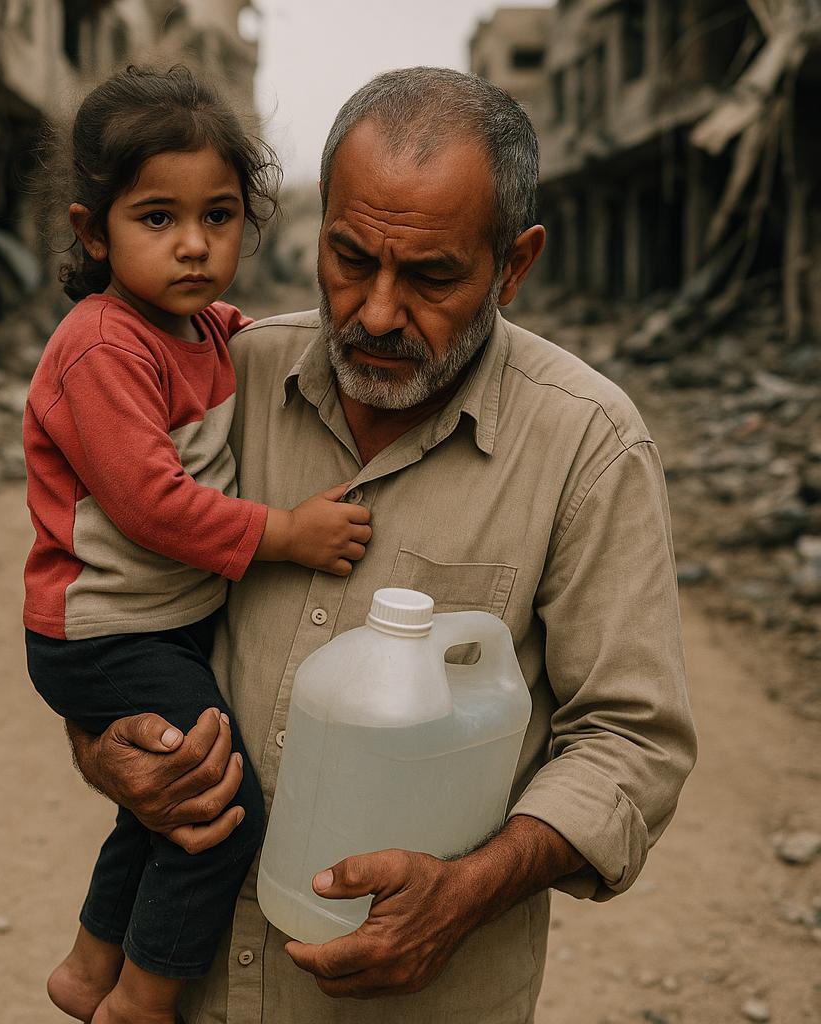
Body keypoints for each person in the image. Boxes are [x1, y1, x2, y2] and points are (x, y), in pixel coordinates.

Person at [66, 66, 698, 1023]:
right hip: (190, 994)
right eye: (350, 258)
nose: (375, 313)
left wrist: (470, 889)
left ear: (514, 264)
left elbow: (631, 740)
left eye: (433, 275)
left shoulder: (585, 445)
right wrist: (105, 750)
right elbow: (111, 613)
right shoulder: (217, 383)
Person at [22, 65, 372, 1024]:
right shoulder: (102, 346)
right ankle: (141, 1001)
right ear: (93, 232)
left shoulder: (196, 327)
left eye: (219, 217)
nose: (193, 246)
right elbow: (151, 504)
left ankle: (89, 968)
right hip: (103, 634)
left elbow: (236, 330)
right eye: (157, 219)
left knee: (164, 798)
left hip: (151, 627)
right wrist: (287, 534)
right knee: (219, 812)